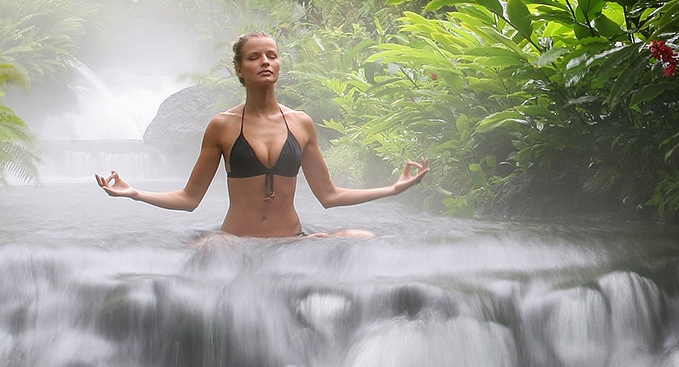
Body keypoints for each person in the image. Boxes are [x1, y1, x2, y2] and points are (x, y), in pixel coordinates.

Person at [95, 31, 430, 238]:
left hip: (292, 240)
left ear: (280, 64)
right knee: (210, 250)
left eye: (272, 55)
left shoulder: (301, 124)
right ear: (240, 70)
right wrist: (135, 193)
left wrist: (393, 189)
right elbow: (189, 199)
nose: (265, 62)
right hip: (236, 243)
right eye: (254, 57)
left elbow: (329, 196)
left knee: (363, 237)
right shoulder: (222, 126)